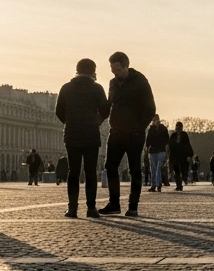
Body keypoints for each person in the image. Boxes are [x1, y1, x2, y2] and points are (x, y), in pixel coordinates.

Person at [100, 51, 156, 217]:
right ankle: (114, 202)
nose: (115, 74)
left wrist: (138, 128)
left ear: (126, 66)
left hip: (134, 134)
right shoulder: (113, 83)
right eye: (112, 70)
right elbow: (109, 105)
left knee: (135, 169)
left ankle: (133, 205)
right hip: (116, 132)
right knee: (110, 167)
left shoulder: (140, 81)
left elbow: (150, 108)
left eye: (117, 70)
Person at [55, 58, 109, 218]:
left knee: (74, 172)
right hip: (91, 134)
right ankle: (91, 208)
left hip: (72, 134)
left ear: (77, 71)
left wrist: (69, 121)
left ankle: (72, 208)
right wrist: (97, 121)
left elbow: (58, 111)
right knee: (90, 171)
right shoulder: (97, 89)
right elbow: (105, 110)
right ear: (93, 71)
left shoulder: (66, 88)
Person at [145, 114, 170, 192]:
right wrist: (147, 148)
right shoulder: (151, 129)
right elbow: (148, 140)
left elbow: (167, 140)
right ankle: (154, 185)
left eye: (156, 119)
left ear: (158, 119)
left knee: (158, 167)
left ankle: (158, 184)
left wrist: (167, 151)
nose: (155, 121)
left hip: (161, 150)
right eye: (153, 119)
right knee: (153, 168)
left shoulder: (163, 128)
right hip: (153, 150)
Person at [169, 121, 193, 191]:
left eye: (179, 127)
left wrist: (190, 154)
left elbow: (188, 144)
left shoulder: (184, 135)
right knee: (176, 171)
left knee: (183, 170)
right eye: (177, 127)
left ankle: (182, 180)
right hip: (175, 155)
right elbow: (170, 145)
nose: (178, 129)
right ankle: (179, 185)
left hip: (182, 156)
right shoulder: (173, 135)